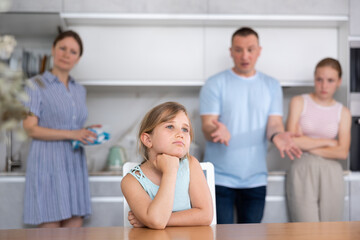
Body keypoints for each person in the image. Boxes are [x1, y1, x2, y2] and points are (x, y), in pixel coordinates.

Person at [199, 27, 302, 224]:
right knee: (221, 237)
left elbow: (274, 123)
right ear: (231, 52)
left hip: (256, 179)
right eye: (238, 50)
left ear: (259, 50)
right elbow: (206, 126)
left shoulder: (271, 85)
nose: (244, 55)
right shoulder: (214, 83)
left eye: (250, 49)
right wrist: (215, 130)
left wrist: (277, 135)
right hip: (220, 179)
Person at [23, 30, 101, 228]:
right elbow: (30, 128)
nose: (67, 54)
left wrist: (87, 131)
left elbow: (73, 126)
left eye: (73, 51)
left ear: (78, 58)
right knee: (50, 231)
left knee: (75, 229)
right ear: (53, 50)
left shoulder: (79, 90)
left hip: (74, 164)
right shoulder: (35, 85)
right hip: (47, 164)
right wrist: (72, 133)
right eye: (62, 48)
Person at [121, 102, 213, 229]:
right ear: (148, 140)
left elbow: (205, 215)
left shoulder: (191, 165)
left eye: (185, 129)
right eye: (170, 126)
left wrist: (151, 220)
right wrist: (170, 171)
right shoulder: (131, 181)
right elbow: (157, 221)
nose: (180, 134)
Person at [286, 58, 351, 222]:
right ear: (314, 78)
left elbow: (342, 152)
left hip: (332, 172)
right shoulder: (299, 102)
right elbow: (291, 141)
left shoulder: (342, 112)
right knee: (305, 229)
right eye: (319, 79)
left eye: (330, 80)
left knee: (332, 230)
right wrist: (329, 142)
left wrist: (306, 143)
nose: (324, 85)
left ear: (339, 82)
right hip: (302, 169)